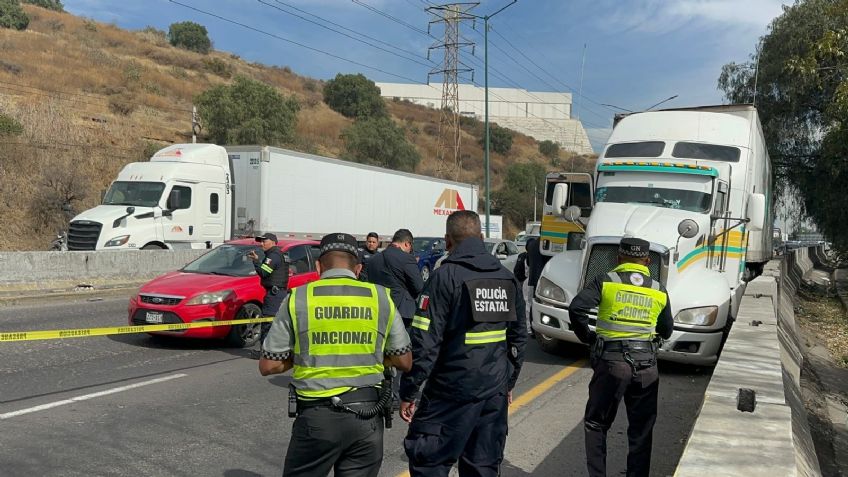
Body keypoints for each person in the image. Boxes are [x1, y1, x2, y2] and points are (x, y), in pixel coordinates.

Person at [259, 232, 413, 477]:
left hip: (317, 419)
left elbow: (268, 366)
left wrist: (304, 355)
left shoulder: (298, 298)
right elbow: (404, 361)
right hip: (368, 419)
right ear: (359, 267)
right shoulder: (380, 297)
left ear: (319, 266)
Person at [399, 211, 527, 477]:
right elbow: (518, 338)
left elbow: (424, 343)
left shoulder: (444, 278)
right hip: (493, 393)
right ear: (481, 238)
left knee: (429, 462)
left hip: (450, 392)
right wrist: (508, 383)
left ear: (447, 241)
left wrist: (409, 391)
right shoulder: (506, 278)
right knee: (483, 467)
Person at [568, 237, 674, 477]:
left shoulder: (606, 281)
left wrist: (588, 337)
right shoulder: (658, 289)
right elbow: (666, 329)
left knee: (596, 424)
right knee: (641, 430)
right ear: (647, 261)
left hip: (612, 362)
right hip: (647, 365)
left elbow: (577, 308)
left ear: (618, 258)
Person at [365, 228, 424, 327]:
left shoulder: (373, 259)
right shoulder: (406, 258)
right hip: (402, 313)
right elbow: (419, 287)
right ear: (407, 244)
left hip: (378, 310)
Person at [247, 232, 288, 359]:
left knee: (267, 322)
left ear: (273, 242)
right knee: (275, 323)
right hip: (278, 293)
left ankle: (264, 353)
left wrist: (255, 261)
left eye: (265, 241)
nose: (262, 244)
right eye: (261, 241)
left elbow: (264, 272)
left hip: (274, 295)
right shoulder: (276, 254)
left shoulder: (273, 256)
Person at [524, 235, 548, 335]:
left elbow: (529, 264)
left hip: (532, 280)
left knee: (531, 305)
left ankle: (531, 329)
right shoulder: (545, 245)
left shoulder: (532, 246)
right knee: (543, 305)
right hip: (543, 281)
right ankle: (541, 329)